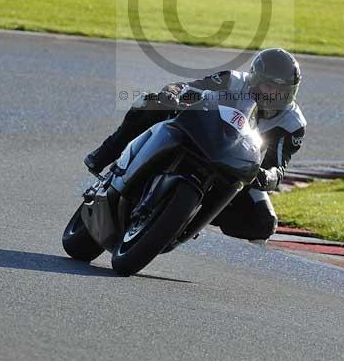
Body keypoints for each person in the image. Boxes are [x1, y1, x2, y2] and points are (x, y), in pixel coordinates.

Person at [84, 48, 307, 243]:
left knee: (264, 224)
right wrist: (173, 94)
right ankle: (106, 153)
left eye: (281, 89)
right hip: (201, 135)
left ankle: (193, 217)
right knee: (150, 102)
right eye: (268, 85)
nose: (272, 94)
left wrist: (267, 177)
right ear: (255, 78)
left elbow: (278, 166)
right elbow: (187, 87)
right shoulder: (232, 80)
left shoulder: (292, 124)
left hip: (235, 162)